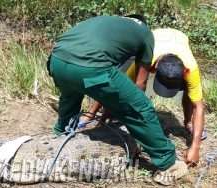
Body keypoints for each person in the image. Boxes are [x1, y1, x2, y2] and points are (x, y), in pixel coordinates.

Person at [48, 15, 187, 185]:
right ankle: (168, 164)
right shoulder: (146, 33)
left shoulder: (107, 20)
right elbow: (140, 83)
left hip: (57, 61)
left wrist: (110, 100)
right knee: (141, 107)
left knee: (70, 99)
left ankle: (58, 137)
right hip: (90, 67)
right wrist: (128, 107)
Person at [82, 28, 206, 166]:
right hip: (155, 38)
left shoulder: (190, 67)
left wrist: (195, 147)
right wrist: (96, 114)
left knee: (192, 92)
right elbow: (119, 85)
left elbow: (198, 106)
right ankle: (94, 112)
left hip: (179, 40)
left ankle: (188, 122)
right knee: (123, 81)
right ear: (156, 67)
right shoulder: (146, 59)